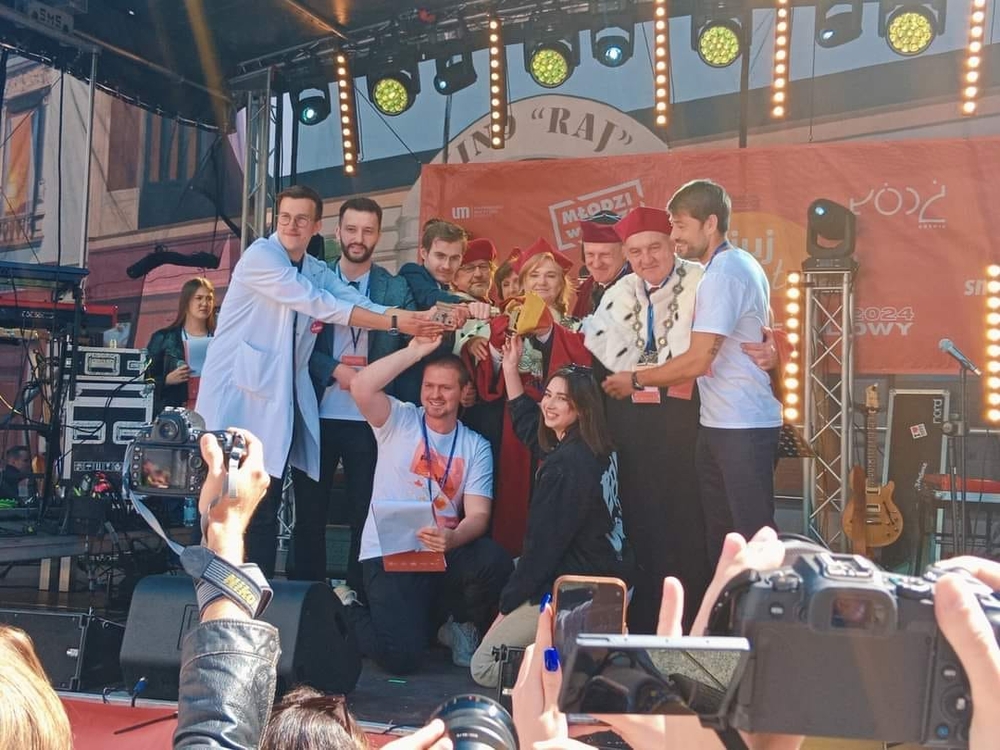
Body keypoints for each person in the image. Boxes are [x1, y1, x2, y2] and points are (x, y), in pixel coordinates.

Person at [195, 185, 441, 577]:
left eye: (302, 219)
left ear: (316, 226)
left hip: (277, 403)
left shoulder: (312, 268)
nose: (292, 226)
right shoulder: (262, 256)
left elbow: (349, 298)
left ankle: (256, 597)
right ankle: (216, 591)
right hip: (236, 401)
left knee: (265, 506)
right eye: (286, 218)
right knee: (230, 507)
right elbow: (323, 305)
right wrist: (395, 320)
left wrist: (407, 318)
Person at [602, 181, 782, 566]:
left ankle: (759, 620)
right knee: (722, 536)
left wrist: (635, 379)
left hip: (735, 422)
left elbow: (700, 358)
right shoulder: (725, 267)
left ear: (710, 223)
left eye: (679, 227)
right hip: (713, 423)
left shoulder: (718, 275)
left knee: (750, 538)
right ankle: (722, 615)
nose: (674, 236)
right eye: (635, 252)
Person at [469, 336, 634, 688]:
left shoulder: (566, 467)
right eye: (548, 395)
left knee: (483, 666)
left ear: (582, 408)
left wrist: (506, 608)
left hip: (577, 589)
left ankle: (574, 668)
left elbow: (542, 551)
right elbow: (533, 430)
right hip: (609, 576)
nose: (550, 404)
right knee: (504, 566)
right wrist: (511, 371)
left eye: (563, 399)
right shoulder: (597, 446)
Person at [346, 336, 513, 674]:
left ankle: (456, 623)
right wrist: (414, 351)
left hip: (440, 553)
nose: (435, 395)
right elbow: (362, 385)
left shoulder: (474, 444)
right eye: (429, 386)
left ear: (464, 393)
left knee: (494, 561)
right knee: (401, 660)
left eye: (446, 388)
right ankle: (346, 605)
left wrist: (452, 538)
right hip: (390, 555)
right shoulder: (400, 420)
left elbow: (479, 515)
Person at [582, 206, 710, 632]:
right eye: (634, 252)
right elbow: (600, 359)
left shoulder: (701, 281)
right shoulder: (619, 293)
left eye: (653, 248)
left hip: (688, 426)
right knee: (642, 528)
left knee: (688, 529)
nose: (645, 259)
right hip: (636, 434)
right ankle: (645, 626)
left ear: (671, 245)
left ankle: (693, 625)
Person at [292, 197, 417, 596]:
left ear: (378, 235)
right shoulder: (312, 281)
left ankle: (359, 597)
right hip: (319, 410)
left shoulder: (394, 286)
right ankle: (306, 595)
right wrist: (335, 369)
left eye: (367, 230)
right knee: (310, 513)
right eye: (351, 229)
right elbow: (296, 346)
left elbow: (407, 342)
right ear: (337, 232)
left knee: (365, 512)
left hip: (371, 418)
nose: (358, 238)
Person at [465, 237, 592, 557]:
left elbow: (580, 368)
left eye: (550, 275)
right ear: (522, 282)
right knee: (515, 494)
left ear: (562, 283)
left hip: (562, 426)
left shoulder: (575, 327)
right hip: (516, 422)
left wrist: (549, 331)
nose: (542, 282)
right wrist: (491, 348)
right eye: (534, 275)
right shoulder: (505, 322)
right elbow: (488, 381)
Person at [145, 277, 217, 416]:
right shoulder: (164, 338)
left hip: (211, 411)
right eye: (199, 298)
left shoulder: (220, 339)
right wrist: (166, 380)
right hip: (175, 417)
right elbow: (143, 380)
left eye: (209, 298)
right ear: (187, 302)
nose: (204, 303)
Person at [571, 211, 630, 318]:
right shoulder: (588, 287)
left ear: (625, 253)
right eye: (590, 254)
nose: (596, 264)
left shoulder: (638, 289)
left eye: (605, 255)